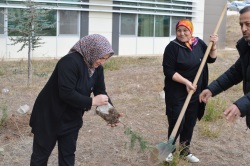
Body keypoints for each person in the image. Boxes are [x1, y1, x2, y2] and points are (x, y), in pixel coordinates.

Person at [29, 34, 122, 166]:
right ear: (92, 51)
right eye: (101, 57)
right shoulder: (69, 62)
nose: (102, 61)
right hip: (48, 117)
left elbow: (101, 92)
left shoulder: (97, 68)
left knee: (68, 156)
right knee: (41, 157)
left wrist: (111, 115)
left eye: (105, 59)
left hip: (71, 118)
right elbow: (66, 93)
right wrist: (91, 102)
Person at [162, 19, 219, 163]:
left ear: (191, 31)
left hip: (195, 91)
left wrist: (213, 46)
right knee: (177, 120)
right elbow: (168, 71)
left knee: (190, 121)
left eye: (185, 30)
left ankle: (184, 151)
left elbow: (211, 59)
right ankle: (169, 150)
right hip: (176, 91)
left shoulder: (198, 43)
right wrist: (186, 82)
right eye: (179, 31)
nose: (182, 34)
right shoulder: (172, 47)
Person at [199, 6, 250, 128]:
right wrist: (212, 89)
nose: (243, 29)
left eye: (248, 24)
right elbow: (234, 73)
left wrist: (241, 105)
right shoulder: (248, 48)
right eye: (241, 25)